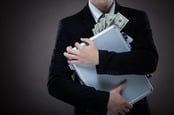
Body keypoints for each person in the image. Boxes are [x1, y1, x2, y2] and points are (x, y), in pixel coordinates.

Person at [47, 0, 158, 115]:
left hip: (135, 110)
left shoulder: (137, 17)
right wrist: (104, 100)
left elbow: (149, 61)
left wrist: (99, 58)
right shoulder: (69, 25)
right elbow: (56, 83)